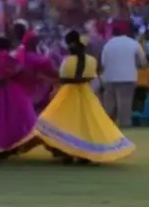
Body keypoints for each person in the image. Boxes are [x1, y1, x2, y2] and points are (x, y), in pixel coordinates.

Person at [33, 31, 134, 164]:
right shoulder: (91, 61)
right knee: (87, 124)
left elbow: (63, 78)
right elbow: (91, 76)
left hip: (67, 93)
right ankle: (85, 153)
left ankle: (66, 151)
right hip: (86, 93)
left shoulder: (68, 61)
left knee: (63, 122)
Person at [99, 23, 146, 128]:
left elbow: (103, 63)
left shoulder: (108, 44)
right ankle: (125, 125)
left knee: (109, 104)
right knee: (125, 103)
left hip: (109, 77)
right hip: (127, 77)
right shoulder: (134, 43)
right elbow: (143, 61)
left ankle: (106, 126)